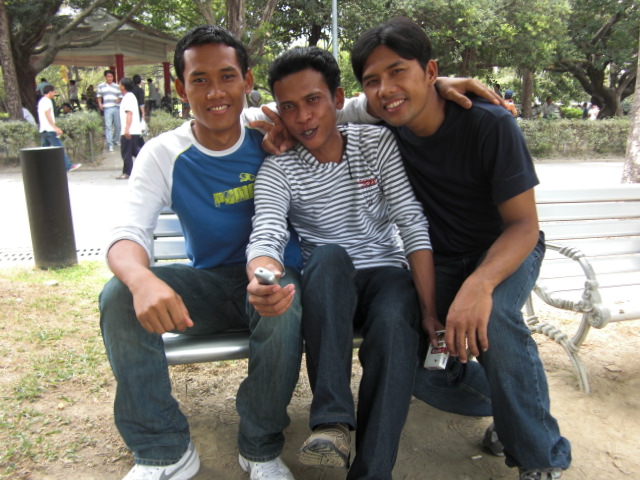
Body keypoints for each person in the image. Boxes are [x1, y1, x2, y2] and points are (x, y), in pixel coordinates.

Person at [350, 17, 571, 480]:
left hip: (504, 249)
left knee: (497, 319)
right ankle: (505, 405)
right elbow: (306, 106)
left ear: (430, 71)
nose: (386, 89)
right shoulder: (385, 119)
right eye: (373, 80)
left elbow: (524, 226)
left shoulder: (489, 124)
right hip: (438, 261)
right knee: (404, 350)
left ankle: (539, 456)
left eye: (398, 71)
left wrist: (480, 284)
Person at [98, 25, 306, 480]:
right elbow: (127, 232)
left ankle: (260, 448)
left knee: (282, 297)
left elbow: (342, 106)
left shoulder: (271, 127)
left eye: (227, 76)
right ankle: (163, 449)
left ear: (247, 81)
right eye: (200, 80)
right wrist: (142, 280)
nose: (216, 92)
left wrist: (440, 84)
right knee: (118, 295)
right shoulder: (163, 153)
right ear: (181, 88)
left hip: (273, 278)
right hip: (211, 288)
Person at [246, 46, 435, 479]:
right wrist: (262, 276)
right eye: (289, 107)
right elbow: (267, 232)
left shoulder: (376, 143)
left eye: (313, 100)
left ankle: (372, 473)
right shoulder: (278, 169)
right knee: (329, 256)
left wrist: (429, 311)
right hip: (330, 289)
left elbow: (410, 221)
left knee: (394, 322)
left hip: (385, 276)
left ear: (337, 98)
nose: (303, 117)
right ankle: (332, 423)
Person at [37, 85, 81, 172]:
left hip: (43, 129)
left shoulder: (41, 101)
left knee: (44, 150)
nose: (54, 93)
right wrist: (55, 127)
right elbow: (47, 115)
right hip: (49, 129)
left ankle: (42, 168)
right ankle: (67, 166)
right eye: (54, 92)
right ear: (50, 92)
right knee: (59, 148)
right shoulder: (47, 101)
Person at [116, 78, 144, 180]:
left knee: (126, 152)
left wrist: (126, 129)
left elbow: (129, 114)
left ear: (123, 86)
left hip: (130, 130)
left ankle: (127, 172)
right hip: (134, 130)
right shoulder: (129, 97)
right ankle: (149, 168)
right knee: (135, 152)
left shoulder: (128, 97)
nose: (118, 85)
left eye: (120, 83)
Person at [97, 70, 122, 152]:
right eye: (108, 76)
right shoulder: (101, 86)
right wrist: (100, 103)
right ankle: (109, 144)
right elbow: (99, 95)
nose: (110, 78)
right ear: (105, 77)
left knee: (118, 125)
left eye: (111, 76)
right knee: (108, 126)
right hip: (107, 108)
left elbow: (120, 96)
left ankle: (115, 140)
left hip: (116, 107)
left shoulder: (117, 86)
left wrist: (118, 100)